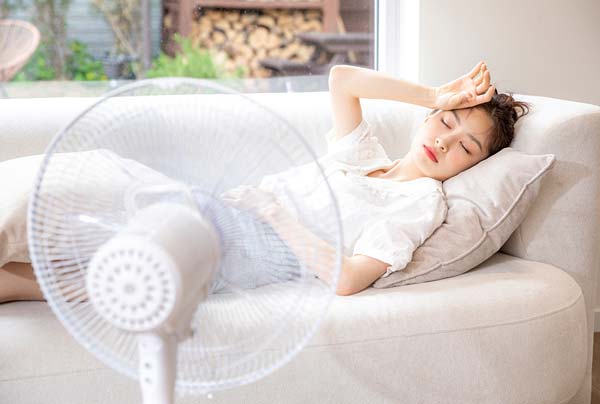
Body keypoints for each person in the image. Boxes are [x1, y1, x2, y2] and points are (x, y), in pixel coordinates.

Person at [0, 61, 529, 303]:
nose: (446, 141)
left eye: (467, 147)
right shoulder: (365, 156)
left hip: (228, 247)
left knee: (83, 204)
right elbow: (342, 79)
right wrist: (434, 94)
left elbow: (348, 279)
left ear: (472, 167)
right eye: (446, 121)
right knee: (77, 200)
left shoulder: (422, 205)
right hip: (207, 213)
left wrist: (274, 214)